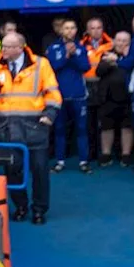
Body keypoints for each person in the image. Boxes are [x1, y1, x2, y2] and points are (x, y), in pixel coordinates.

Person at [0, 31, 61, 225]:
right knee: (12, 168)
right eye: (4, 46)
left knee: (40, 169)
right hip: (7, 127)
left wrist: (49, 114)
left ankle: (39, 209)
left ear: (20, 47)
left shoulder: (41, 65)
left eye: (8, 46)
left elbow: (52, 92)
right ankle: (21, 206)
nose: (4, 50)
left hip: (35, 125)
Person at [46, 19, 92, 173]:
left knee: (81, 128)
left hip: (78, 95)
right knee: (59, 129)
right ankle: (60, 161)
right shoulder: (53, 48)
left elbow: (86, 67)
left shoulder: (81, 47)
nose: (70, 31)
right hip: (59, 96)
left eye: (73, 28)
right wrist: (66, 55)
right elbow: (52, 67)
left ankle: (83, 161)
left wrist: (75, 55)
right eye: (67, 28)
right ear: (61, 31)